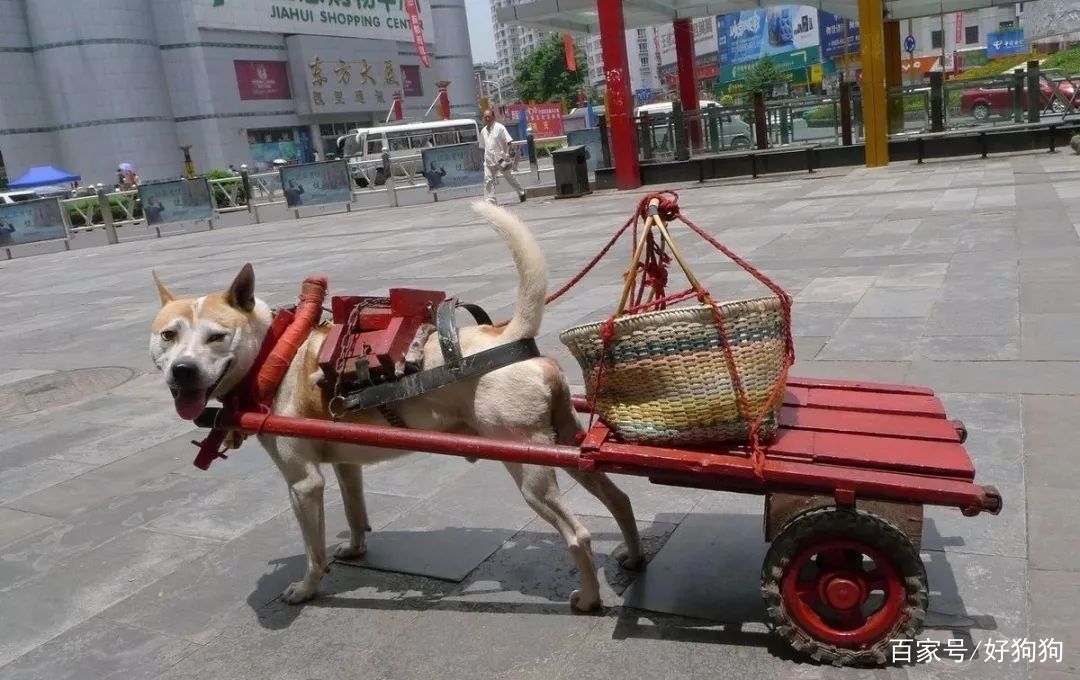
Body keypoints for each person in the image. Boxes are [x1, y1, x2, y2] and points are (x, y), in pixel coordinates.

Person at [479, 109, 525, 205]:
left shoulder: (500, 128)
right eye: (485, 117)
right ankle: (491, 199)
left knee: (509, 176)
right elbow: (483, 146)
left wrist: (507, 154)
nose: (487, 119)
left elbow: (509, 142)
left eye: (489, 116)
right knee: (488, 179)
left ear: (493, 117)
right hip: (488, 159)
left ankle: (521, 192)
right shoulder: (483, 131)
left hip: (501, 159)